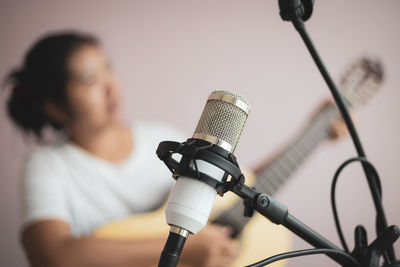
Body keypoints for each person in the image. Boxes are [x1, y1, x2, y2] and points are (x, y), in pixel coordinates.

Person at [5, 32, 239, 267]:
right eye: (89, 79)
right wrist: (183, 248)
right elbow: (52, 256)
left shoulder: (162, 137)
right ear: (55, 107)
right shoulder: (47, 166)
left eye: (108, 68)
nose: (110, 85)